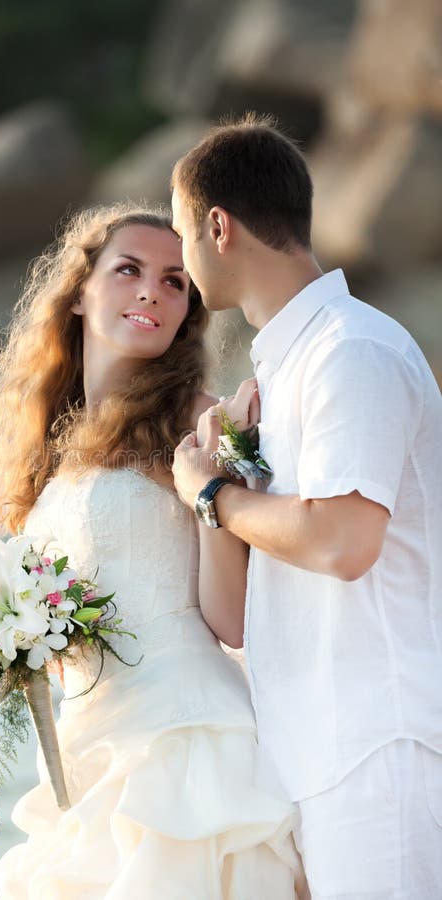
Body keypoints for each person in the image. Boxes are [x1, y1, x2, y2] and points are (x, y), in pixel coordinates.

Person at [0, 203, 306, 899]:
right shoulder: (48, 450)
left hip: (183, 742)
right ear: (80, 292)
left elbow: (232, 621)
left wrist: (212, 488)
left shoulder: (199, 419)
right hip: (86, 750)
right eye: (128, 270)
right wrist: (10, 645)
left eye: (176, 281)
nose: (153, 290)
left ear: (188, 311)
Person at [170, 113, 442, 900]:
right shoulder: (287, 373)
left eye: (184, 234)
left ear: (218, 227)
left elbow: (343, 540)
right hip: (319, 754)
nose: (184, 262)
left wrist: (213, 497)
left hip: (377, 750)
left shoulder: (350, 352)